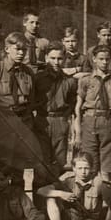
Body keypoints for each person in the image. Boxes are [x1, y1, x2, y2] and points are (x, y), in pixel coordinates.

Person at [0, 32, 41, 189]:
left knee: (20, 168)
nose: (21, 53)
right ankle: (3, 207)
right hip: (3, 124)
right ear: (7, 48)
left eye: (24, 50)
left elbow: (31, 102)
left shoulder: (28, 73)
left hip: (23, 123)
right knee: (4, 166)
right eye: (17, 49)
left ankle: (18, 206)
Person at [74, 45, 111, 182]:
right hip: (90, 121)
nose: (104, 62)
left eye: (107, 59)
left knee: (107, 170)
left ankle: (107, 201)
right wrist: (78, 133)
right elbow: (78, 108)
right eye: (101, 59)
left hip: (109, 122)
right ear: (94, 59)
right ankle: (89, 201)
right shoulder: (85, 80)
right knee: (89, 166)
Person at [37, 152, 107, 220]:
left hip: (87, 219)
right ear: (74, 169)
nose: (83, 172)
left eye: (86, 168)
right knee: (50, 198)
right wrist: (61, 194)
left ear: (92, 168)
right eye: (80, 168)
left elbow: (110, 204)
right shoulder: (68, 182)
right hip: (68, 217)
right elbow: (41, 191)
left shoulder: (98, 183)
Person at [34, 41, 78, 172]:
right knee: (41, 161)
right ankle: (39, 192)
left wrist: (69, 125)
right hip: (42, 120)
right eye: (52, 58)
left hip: (61, 121)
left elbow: (72, 104)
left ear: (64, 59)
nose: (56, 62)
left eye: (59, 58)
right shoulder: (38, 78)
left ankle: (56, 190)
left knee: (59, 162)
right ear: (46, 58)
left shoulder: (69, 81)